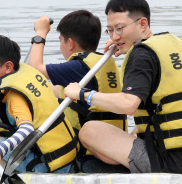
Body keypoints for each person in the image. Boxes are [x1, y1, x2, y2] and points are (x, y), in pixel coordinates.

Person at [63, 0, 182, 175]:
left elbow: (129, 105)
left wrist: (81, 93)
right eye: (110, 30)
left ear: (142, 24)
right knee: (135, 132)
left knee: (90, 130)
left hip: (168, 163)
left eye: (119, 28)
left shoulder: (141, 55)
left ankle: (130, 173)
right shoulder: (172, 43)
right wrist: (123, 41)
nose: (114, 36)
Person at [0, 35, 79, 173]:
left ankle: (2, 164)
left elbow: (26, 130)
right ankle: (0, 159)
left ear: (8, 67)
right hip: (61, 159)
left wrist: (0, 149)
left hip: (45, 165)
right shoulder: (15, 85)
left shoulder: (16, 96)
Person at [27, 11, 129, 173]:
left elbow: (33, 69)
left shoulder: (78, 67)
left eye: (60, 41)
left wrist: (40, 33)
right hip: (112, 150)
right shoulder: (102, 64)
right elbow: (55, 90)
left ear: (70, 44)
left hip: (89, 158)